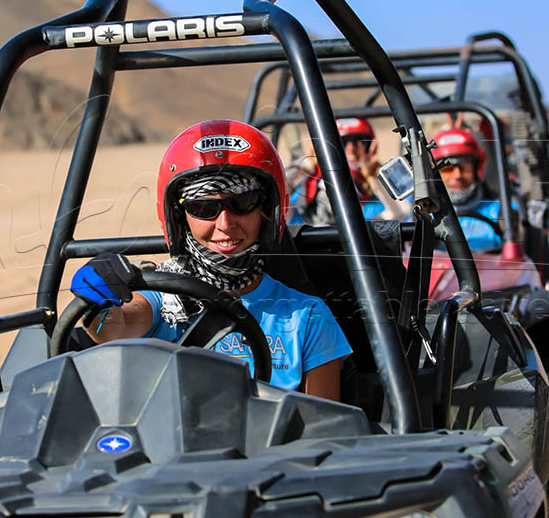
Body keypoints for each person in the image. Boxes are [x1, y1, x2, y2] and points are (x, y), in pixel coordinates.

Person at [70, 120, 352, 401]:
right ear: (180, 218)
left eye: (243, 204)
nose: (225, 224)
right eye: (204, 207)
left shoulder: (307, 315)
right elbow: (114, 328)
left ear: (266, 211)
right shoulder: (164, 298)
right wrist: (98, 304)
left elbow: (324, 426)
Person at [288, 117, 409, 225]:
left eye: (359, 142)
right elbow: (276, 189)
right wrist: (307, 163)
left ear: (371, 147)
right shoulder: (304, 194)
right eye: (342, 143)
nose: (351, 149)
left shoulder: (377, 199)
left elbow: (402, 213)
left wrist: (373, 178)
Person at [429, 127, 515, 253]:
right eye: (448, 169)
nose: (457, 175)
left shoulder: (501, 211)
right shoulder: (423, 215)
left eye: (465, 168)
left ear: (476, 170)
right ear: (434, 175)